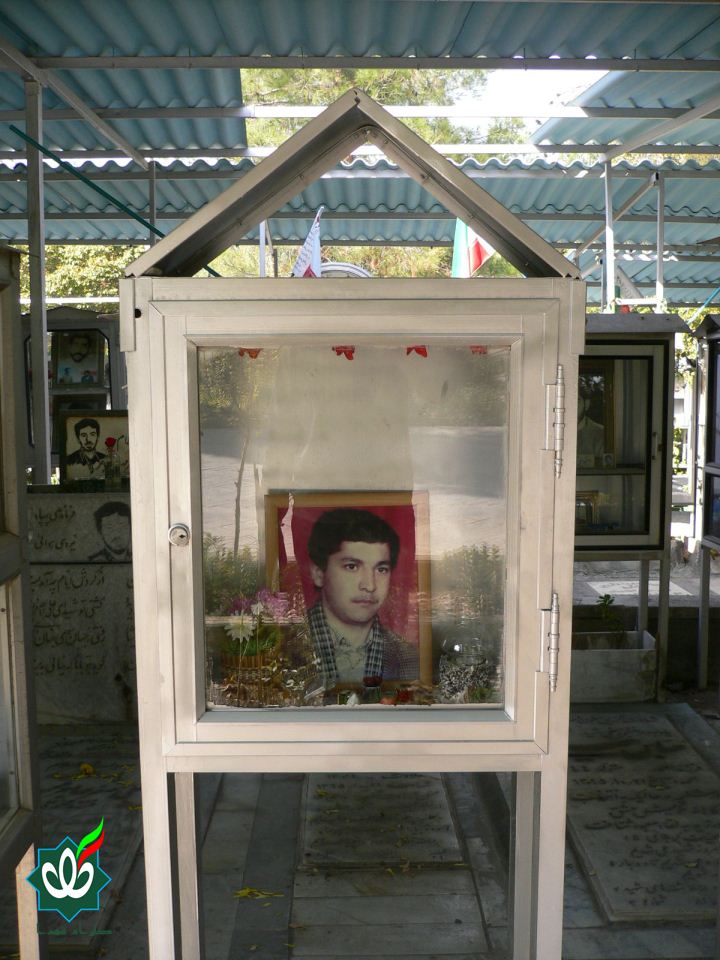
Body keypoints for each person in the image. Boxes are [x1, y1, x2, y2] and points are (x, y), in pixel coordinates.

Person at [306, 508, 418, 689]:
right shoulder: (281, 649)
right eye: (352, 566)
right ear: (318, 573)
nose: (370, 585)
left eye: (381, 569)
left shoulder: (411, 659)